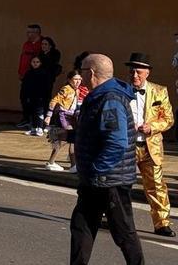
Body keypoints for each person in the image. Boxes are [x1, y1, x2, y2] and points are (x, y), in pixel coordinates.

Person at [70, 53, 144, 265]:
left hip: (109, 180)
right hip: (96, 179)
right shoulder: (99, 96)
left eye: (82, 70)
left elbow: (117, 142)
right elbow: (97, 134)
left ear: (91, 72)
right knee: (81, 226)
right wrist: (69, 135)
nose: (80, 75)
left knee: (123, 232)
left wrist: (96, 169)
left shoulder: (110, 99)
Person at [125, 52, 175, 237]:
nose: (134, 76)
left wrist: (152, 127)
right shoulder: (122, 90)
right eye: (131, 72)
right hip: (126, 146)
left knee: (156, 185)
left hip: (149, 147)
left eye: (138, 72)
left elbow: (168, 119)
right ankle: (112, 217)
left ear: (147, 73)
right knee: (120, 184)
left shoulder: (159, 91)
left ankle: (162, 223)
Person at [43, 70, 83, 172]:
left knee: (66, 139)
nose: (77, 82)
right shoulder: (66, 89)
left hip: (72, 117)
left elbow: (77, 105)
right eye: (75, 79)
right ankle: (73, 165)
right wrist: (49, 115)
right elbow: (54, 100)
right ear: (69, 80)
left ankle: (53, 162)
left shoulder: (77, 90)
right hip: (64, 116)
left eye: (79, 79)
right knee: (71, 138)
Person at [17, 24, 43, 127]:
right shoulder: (26, 44)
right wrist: (20, 72)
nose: (28, 34)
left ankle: (35, 121)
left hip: (34, 77)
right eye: (27, 32)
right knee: (23, 97)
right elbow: (22, 59)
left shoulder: (41, 44)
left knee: (34, 100)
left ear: (37, 33)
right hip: (24, 76)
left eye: (30, 32)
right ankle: (26, 118)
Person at [20, 56, 50, 136]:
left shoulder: (44, 73)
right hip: (30, 96)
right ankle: (33, 128)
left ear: (40, 63)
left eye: (37, 62)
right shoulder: (28, 73)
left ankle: (40, 128)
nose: (35, 63)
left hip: (40, 97)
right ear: (31, 63)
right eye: (33, 62)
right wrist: (24, 96)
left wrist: (44, 96)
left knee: (39, 112)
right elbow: (24, 85)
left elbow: (46, 86)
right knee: (32, 112)